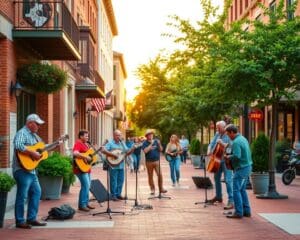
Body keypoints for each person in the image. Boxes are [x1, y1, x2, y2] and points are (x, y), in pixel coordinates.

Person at [12, 114, 50, 229]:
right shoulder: (22, 133)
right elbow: (18, 145)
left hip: (32, 171)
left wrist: (56, 144)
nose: (39, 126)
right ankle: (20, 221)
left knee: (37, 193)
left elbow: (41, 148)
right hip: (22, 169)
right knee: (22, 196)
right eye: (37, 124)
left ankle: (31, 218)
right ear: (29, 123)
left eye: (39, 124)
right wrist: (32, 153)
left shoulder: (35, 136)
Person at [224, 124, 252, 219]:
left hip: (241, 168)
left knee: (236, 190)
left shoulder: (236, 142)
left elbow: (237, 156)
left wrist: (228, 157)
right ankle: (246, 211)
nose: (228, 136)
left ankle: (239, 212)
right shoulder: (243, 138)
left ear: (232, 132)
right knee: (242, 190)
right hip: (247, 166)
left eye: (228, 134)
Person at [207, 120, 234, 210]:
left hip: (226, 160)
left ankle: (231, 200)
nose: (217, 129)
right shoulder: (217, 134)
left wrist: (221, 143)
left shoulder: (229, 134)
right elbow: (212, 143)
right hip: (217, 160)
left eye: (219, 127)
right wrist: (209, 149)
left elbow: (231, 146)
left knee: (228, 180)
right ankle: (218, 196)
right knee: (216, 178)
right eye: (217, 127)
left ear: (224, 127)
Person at [101, 130, 134, 201]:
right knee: (113, 181)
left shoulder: (122, 143)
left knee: (121, 180)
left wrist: (133, 148)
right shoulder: (110, 143)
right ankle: (113, 195)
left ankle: (118, 194)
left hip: (121, 164)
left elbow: (127, 152)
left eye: (120, 135)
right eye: (117, 135)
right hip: (113, 165)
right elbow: (103, 150)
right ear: (114, 135)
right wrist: (112, 154)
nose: (119, 137)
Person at [72, 130, 95, 211]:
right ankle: (82, 205)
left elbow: (89, 156)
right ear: (81, 136)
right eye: (86, 136)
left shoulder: (87, 144)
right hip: (80, 169)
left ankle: (86, 203)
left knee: (88, 186)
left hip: (86, 168)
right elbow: (75, 153)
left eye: (88, 136)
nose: (87, 137)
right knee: (85, 186)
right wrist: (85, 157)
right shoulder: (78, 143)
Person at [142, 129, 167, 195]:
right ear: (147, 136)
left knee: (160, 175)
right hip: (149, 162)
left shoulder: (156, 141)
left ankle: (161, 188)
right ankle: (152, 189)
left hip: (157, 161)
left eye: (151, 134)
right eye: (149, 134)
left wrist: (159, 144)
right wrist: (151, 145)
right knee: (150, 176)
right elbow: (145, 151)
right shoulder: (144, 143)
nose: (151, 135)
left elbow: (161, 150)